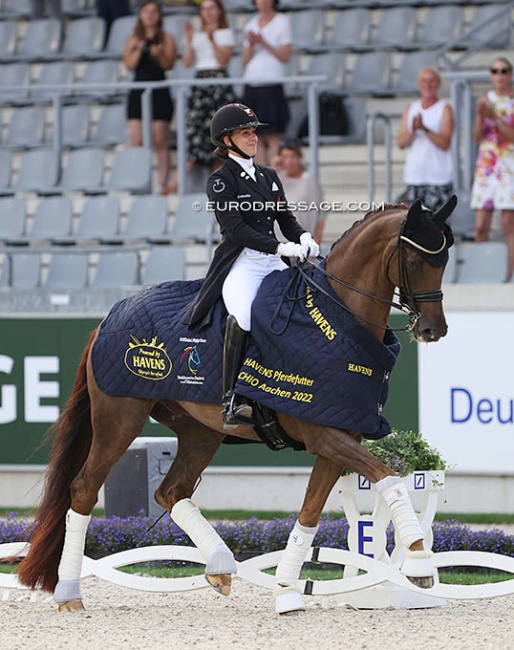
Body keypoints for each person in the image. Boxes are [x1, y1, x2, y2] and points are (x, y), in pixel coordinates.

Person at [183, 103, 320, 429]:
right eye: (246, 133)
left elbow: (285, 219)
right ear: (227, 139)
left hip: (273, 260)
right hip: (242, 262)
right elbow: (237, 229)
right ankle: (232, 398)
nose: (254, 137)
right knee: (243, 314)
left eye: (255, 132)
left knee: (307, 307)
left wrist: (303, 237)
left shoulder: (269, 177)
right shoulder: (220, 181)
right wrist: (279, 246)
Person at [163, 0, 236, 194]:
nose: (208, 12)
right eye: (204, 9)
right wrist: (189, 41)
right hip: (200, 84)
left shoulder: (225, 33)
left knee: (219, 136)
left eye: (211, 8)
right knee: (195, 132)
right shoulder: (197, 34)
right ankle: (175, 184)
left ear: (219, 11)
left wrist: (211, 39)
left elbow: (223, 61)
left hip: (218, 83)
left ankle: (219, 187)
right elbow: (186, 62)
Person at [123, 0, 177, 194]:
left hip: (159, 90)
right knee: (136, 140)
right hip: (138, 90)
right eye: (146, 12)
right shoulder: (133, 39)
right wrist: (138, 49)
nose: (150, 15)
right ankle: (137, 181)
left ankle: (162, 183)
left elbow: (168, 64)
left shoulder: (166, 38)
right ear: (140, 15)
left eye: (154, 12)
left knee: (160, 140)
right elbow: (129, 64)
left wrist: (158, 54)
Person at [470, 57, 514, 281]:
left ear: (510, 74)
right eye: (495, 70)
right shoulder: (485, 99)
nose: (499, 75)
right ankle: (482, 273)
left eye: (504, 71)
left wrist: (494, 117)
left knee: (509, 223)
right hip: (487, 165)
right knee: (481, 225)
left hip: (508, 165)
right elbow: (477, 136)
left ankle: (509, 276)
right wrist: (480, 116)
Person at [241, 0, 291, 166]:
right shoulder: (251, 24)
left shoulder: (282, 22)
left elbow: (285, 55)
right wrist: (251, 44)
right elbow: (245, 60)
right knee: (256, 134)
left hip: (271, 81)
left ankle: (274, 171)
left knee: (273, 134)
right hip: (252, 81)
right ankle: (261, 172)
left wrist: (263, 42)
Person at [397, 67, 454, 211]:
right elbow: (401, 143)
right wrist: (414, 130)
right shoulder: (410, 108)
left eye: (432, 81)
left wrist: (425, 129)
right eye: (424, 81)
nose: (428, 85)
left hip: (438, 177)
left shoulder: (444, 109)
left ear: (438, 84)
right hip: (415, 176)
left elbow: (445, 142)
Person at [272, 139, 325, 243]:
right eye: (285, 157)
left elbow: (321, 213)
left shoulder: (310, 181)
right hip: (279, 243)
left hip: (303, 240)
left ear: (299, 157)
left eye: (293, 156)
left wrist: (317, 239)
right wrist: (273, 168)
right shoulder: (275, 179)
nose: (290, 161)